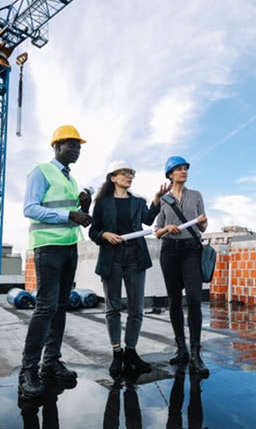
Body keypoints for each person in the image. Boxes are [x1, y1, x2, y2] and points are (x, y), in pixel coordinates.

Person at [20, 124, 93, 398]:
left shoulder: (71, 180)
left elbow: (74, 213)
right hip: (48, 247)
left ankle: (50, 363)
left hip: (69, 247)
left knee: (61, 306)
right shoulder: (41, 171)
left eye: (79, 146)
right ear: (56, 146)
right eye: (71, 144)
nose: (76, 150)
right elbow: (30, 208)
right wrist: (69, 216)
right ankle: (28, 369)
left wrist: (84, 207)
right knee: (46, 307)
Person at [89, 160, 170, 377]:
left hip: (135, 256)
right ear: (113, 177)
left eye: (131, 173)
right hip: (111, 258)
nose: (129, 176)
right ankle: (117, 353)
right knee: (113, 307)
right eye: (124, 173)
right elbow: (93, 231)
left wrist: (156, 201)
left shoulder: (138, 202)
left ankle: (131, 352)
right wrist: (105, 235)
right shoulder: (102, 203)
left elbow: (147, 220)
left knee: (136, 309)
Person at [154, 156, 210, 377]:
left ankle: (196, 352)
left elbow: (203, 227)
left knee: (195, 299)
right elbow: (156, 231)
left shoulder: (196, 196)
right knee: (174, 301)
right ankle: (181, 349)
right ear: (170, 174)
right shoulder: (164, 200)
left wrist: (203, 222)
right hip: (169, 250)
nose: (183, 171)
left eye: (185, 168)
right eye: (179, 169)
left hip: (191, 250)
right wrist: (168, 227)